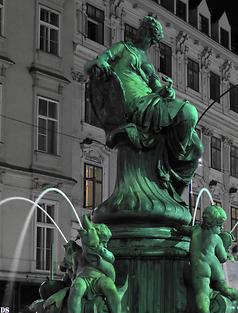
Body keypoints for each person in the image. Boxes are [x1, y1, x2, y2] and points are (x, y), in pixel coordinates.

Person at [85, 15, 202, 197]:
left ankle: (171, 185)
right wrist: (100, 62)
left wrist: (167, 91)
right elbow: (90, 65)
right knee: (188, 112)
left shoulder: (146, 62)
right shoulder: (123, 48)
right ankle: (170, 162)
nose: (144, 36)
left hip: (150, 100)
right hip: (134, 104)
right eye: (143, 31)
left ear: (152, 40)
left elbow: (157, 87)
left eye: (148, 34)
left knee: (196, 146)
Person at [63, 215, 128, 313]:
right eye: (103, 242)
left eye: (105, 243)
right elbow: (75, 271)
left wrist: (100, 250)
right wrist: (74, 280)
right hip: (83, 278)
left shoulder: (103, 252)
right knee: (76, 289)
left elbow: (111, 258)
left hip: (99, 278)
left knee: (110, 288)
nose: (105, 246)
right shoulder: (77, 255)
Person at [189, 205, 238, 313]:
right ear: (211, 224)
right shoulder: (216, 239)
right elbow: (222, 258)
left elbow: (185, 229)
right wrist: (228, 255)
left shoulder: (195, 231)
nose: (222, 227)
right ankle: (229, 292)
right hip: (215, 266)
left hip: (201, 266)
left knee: (202, 294)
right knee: (222, 284)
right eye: (219, 225)